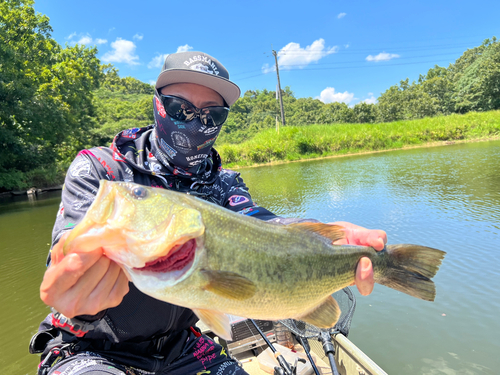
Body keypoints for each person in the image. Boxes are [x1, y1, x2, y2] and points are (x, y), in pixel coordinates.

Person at [30, 51, 387, 375]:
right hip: (90, 348)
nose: (196, 122)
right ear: (157, 104)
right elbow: (68, 246)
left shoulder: (224, 184)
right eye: (180, 108)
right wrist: (70, 279)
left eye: (211, 115)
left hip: (182, 343)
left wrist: (323, 235)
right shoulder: (102, 172)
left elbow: (260, 224)